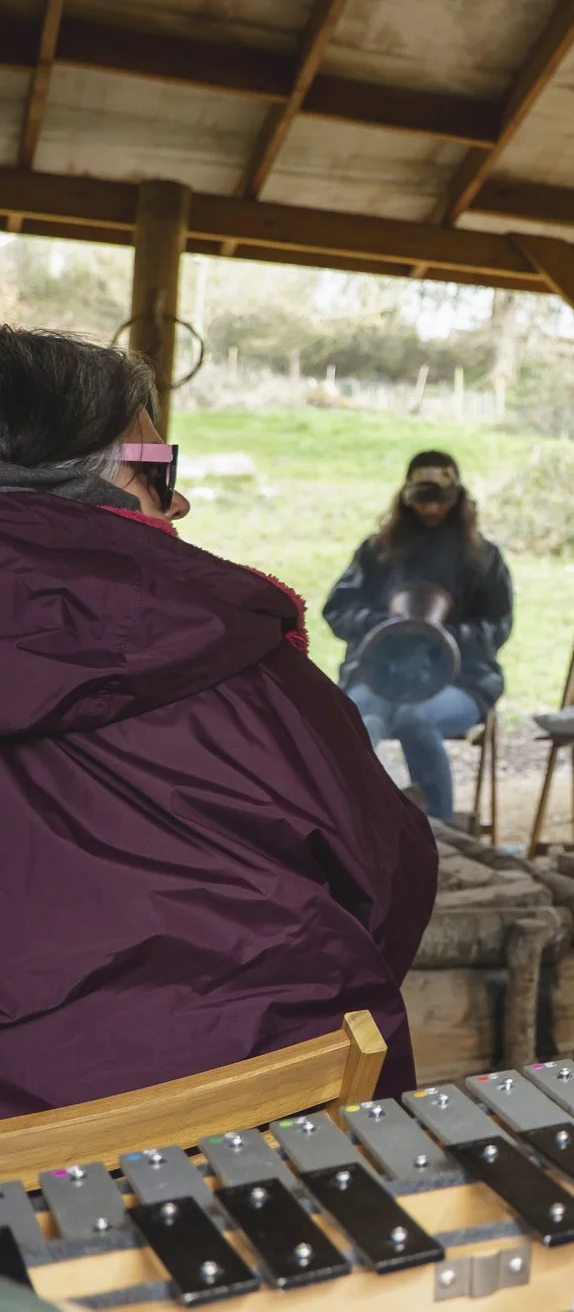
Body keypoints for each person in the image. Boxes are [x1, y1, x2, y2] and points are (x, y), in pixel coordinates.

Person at [0, 327, 434, 1114]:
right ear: (74, 481)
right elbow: (390, 877)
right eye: (157, 472)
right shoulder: (246, 660)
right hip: (258, 1121)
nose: (180, 499)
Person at [323, 451, 513, 820]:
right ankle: (353, 823)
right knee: (356, 722)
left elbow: (499, 625)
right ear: (407, 499)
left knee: (416, 719)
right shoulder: (377, 552)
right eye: (423, 501)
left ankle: (439, 831)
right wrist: (381, 622)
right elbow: (337, 611)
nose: (431, 511)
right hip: (378, 676)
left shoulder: (483, 557)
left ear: (457, 500)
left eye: (439, 501)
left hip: (462, 679)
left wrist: (447, 634)